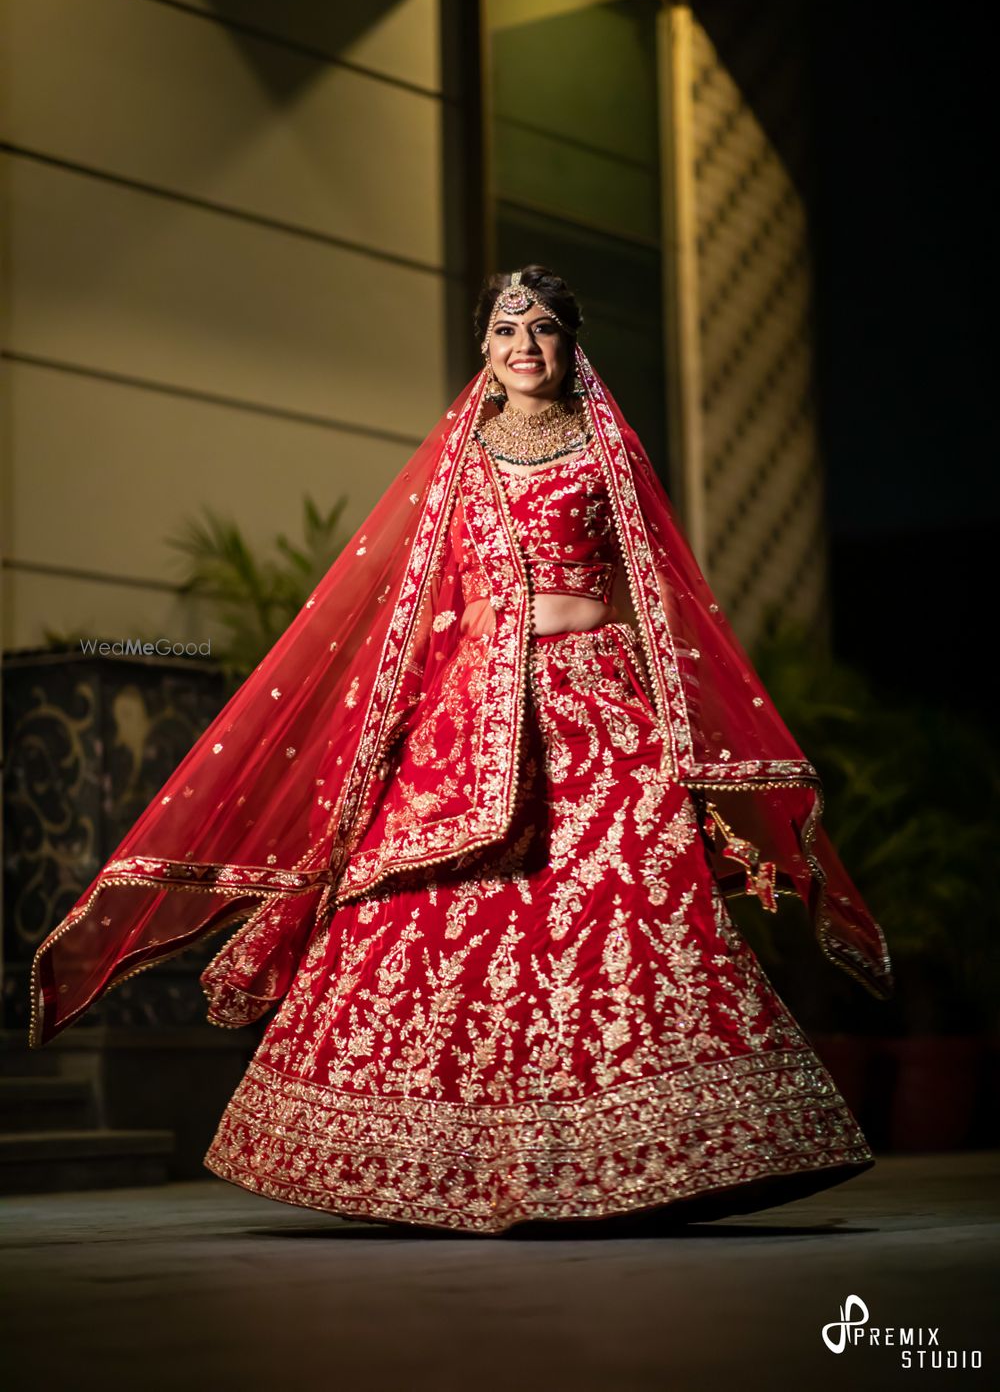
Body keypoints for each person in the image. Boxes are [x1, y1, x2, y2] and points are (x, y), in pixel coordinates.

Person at [30, 265, 891, 1235]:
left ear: (572, 345)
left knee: (635, 899)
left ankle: (670, 1151)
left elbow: (660, 592)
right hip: (473, 718)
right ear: (482, 349)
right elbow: (415, 610)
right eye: (505, 331)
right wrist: (409, 723)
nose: (525, 347)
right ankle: (413, 1163)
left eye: (544, 330)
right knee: (420, 913)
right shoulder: (457, 462)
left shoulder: (608, 447)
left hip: (597, 704)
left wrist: (677, 725)